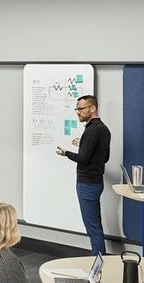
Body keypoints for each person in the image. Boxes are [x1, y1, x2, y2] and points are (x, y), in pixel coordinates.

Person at [56, 95, 111, 256]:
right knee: (95, 225)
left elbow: (83, 159)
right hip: (96, 183)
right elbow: (104, 157)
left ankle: (98, 263)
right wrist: (84, 145)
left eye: (81, 109)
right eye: (77, 109)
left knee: (92, 227)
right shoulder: (103, 128)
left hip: (87, 184)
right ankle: (100, 260)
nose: (78, 112)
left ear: (92, 108)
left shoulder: (92, 130)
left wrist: (66, 153)